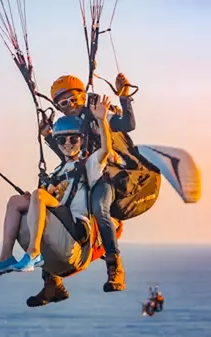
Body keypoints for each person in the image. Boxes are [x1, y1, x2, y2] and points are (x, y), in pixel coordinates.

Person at [0, 94, 114, 302]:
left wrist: (101, 119)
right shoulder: (59, 170)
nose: (67, 144)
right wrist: (33, 200)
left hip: (76, 231)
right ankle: (5, 257)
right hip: (60, 224)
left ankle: (34, 252)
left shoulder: (89, 164)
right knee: (15, 201)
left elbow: (106, 149)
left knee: (39, 195)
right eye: (62, 140)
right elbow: (47, 197)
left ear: (82, 139)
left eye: (73, 139)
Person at [38, 74, 138, 294]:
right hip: (78, 177)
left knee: (99, 209)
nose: (70, 106)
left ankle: (115, 268)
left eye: (74, 99)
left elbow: (128, 125)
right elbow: (68, 155)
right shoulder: (65, 124)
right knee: (48, 214)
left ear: (83, 95)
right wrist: (48, 136)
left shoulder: (97, 109)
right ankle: (51, 282)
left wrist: (124, 97)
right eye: (63, 104)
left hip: (103, 175)